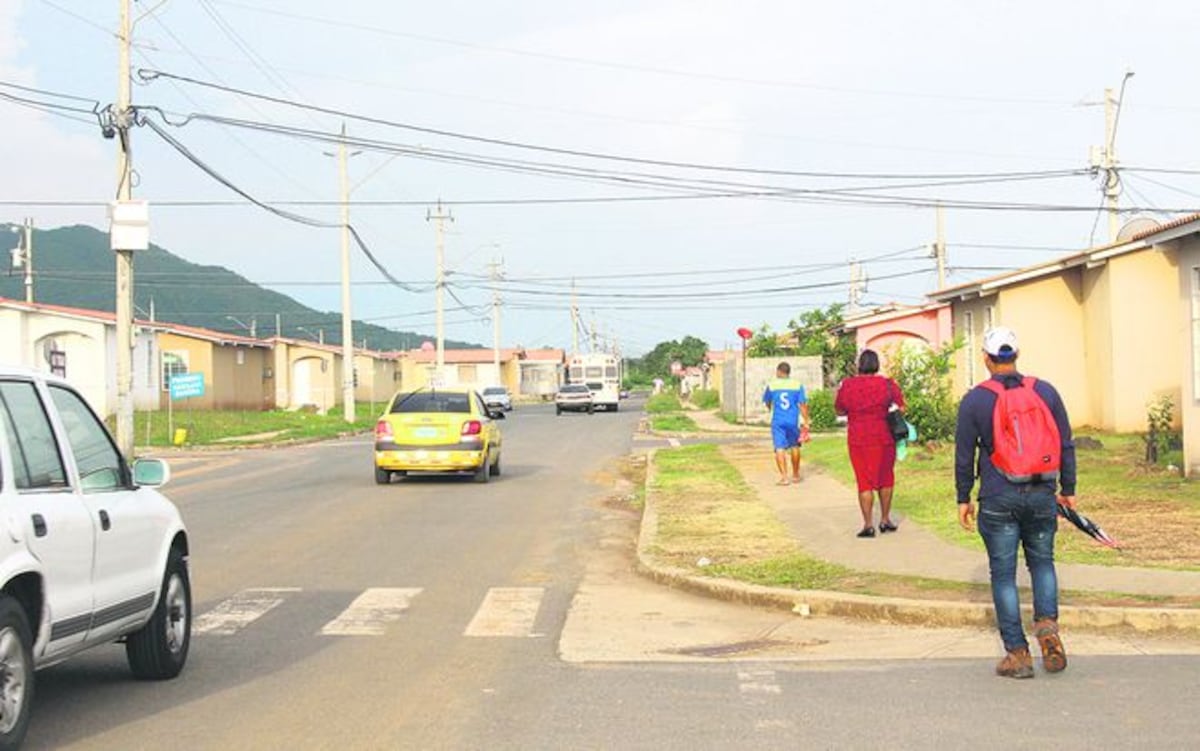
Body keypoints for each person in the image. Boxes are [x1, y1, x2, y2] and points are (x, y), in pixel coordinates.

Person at [955, 326, 1075, 679]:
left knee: (1003, 574)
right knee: (1042, 563)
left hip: (998, 495)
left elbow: (964, 454)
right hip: (1041, 491)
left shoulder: (976, 399)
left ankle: (1018, 654)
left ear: (986, 358)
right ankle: (1049, 631)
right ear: (1017, 356)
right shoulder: (1045, 391)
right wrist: (1067, 487)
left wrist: (964, 497)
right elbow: (1065, 442)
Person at [834, 349, 904, 538]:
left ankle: (867, 524)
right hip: (884, 436)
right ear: (877, 364)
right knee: (886, 477)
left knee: (864, 481)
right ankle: (885, 519)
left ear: (859, 365)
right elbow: (901, 406)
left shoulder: (847, 385)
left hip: (858, 438)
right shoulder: (888, 385)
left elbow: (839, 409)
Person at [762, 362, 809, 485]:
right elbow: (802, 404)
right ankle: (796, 474)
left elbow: (767, 401)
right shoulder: (797, 385)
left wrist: (770, 408)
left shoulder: (772, 385)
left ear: (778, 371)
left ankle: (784, 477)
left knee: (779, 447)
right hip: (793, 420)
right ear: (789, 372)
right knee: (795, 446)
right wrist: (806, 421)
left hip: (778, 420)